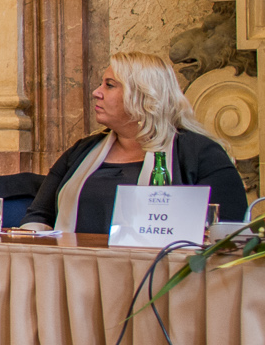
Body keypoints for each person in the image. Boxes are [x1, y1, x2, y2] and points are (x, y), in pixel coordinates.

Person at [22, 51, 247, 235]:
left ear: (143, 95)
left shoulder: (200, 153)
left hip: (163, 272)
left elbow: (227, 229)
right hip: (78, 269)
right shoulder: (82, 151)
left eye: (110, 85)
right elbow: (39, 216)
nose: (96, 92)